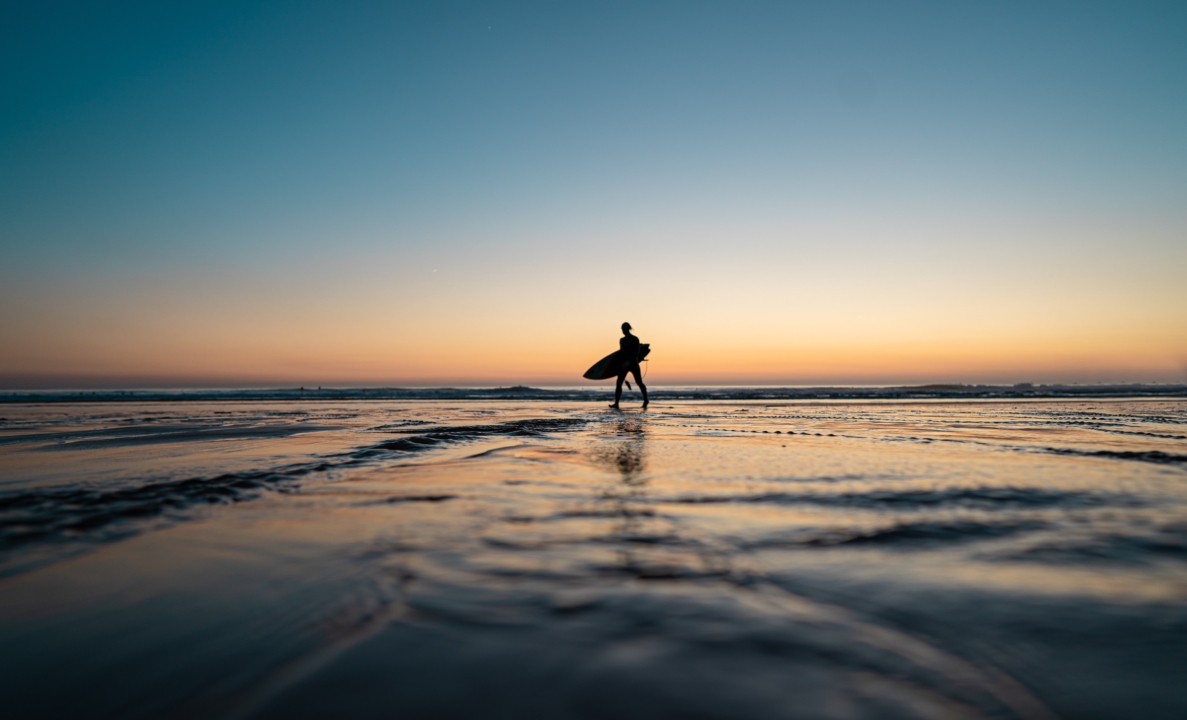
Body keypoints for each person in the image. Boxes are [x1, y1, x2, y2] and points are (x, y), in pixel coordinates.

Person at [610, 322, 648, 410]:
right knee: (619, 383)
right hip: (623, 364)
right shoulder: (622, 340)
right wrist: (618, 364)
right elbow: (621, 352)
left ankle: (646, 400)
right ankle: (616, 403)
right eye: (622, 329)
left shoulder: (635, 339)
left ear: (629, 329)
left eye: (624, 329)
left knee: (639, 382)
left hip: (633, 364)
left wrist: (628, 362)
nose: (623, 331)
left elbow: (636, 353)